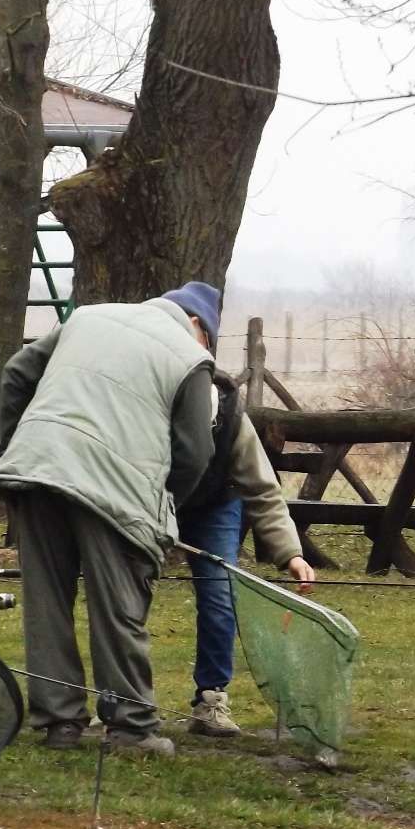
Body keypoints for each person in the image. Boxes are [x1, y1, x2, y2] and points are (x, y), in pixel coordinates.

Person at [0, 286, 216, 757]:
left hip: (37, 468)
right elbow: (195, 453)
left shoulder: (86, 318)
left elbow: (15, 373)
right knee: (118, 607)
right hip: (114, 489)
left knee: (46, 600)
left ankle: (59, 724)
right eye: (210, 336)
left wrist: (18, 446)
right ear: (197, 324)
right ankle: (131, 728)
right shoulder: (189, 357)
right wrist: (164, 505)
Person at [167, 286, 316, 736]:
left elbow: (263, 490)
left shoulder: (228, 409)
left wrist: (291, 553)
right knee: (125, 591)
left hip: (214, 506)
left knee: (219, 595)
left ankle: (211, 699)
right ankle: (124, 700)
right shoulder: (143, 391)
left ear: (206, 343)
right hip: (149, 502)